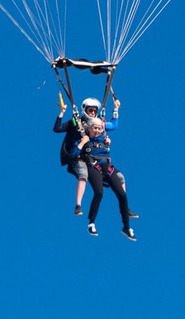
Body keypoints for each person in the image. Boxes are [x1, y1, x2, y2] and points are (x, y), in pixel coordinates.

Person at [54, 96, 137, 232]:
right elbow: (57, 129)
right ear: (85, 110)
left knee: (121, 178)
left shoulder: (100, 124)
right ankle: (78, 206)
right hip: (81, 156)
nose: (92, 113)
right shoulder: (76, 122)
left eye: (94, 111)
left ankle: (124, 207)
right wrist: (62, 112)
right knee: (84, 174)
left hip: (100, 159)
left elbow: (113, 125)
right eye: (90, 110)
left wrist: (115, 109)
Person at [78, 116, 136, 241]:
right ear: (89, 128)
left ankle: (126, 227)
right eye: (95, 128)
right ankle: (91, 223)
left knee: (122, 194)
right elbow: (73, 153)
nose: (97, 130)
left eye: (99, 128)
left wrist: (116, 111)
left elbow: (113, 125)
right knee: (99, 193)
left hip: (107, 166)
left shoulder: (104, 138)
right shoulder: (84, 139)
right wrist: (82, 143)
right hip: (93, 166)